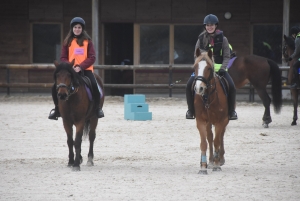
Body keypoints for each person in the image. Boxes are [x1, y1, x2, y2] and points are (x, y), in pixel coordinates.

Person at [48, 17, 104, 120]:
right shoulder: (67, 41)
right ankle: (56, 109)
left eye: (79, 27)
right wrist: (69, 66)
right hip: (70, 70)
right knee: (54, 87)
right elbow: (63, 57)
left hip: (85, 70)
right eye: (75, 27)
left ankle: (97, 108)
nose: (77, 29)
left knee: (94, 85)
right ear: (72, 28)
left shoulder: (88, 42)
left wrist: (80, 67)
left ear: (82, 29)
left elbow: (92, 57)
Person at [185, 14, 238, 120]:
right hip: (203, 70)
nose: (210, 27)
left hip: (219, 70)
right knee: (189, 85)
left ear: (216, 26)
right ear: (205, 26)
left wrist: (223, 68)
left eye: (212, 25)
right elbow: (196, 55)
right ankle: (190, 110)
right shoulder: (200, 39)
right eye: (208, 25)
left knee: (232, 86)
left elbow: (227, 56)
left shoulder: (223, 39)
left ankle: (232, 111)